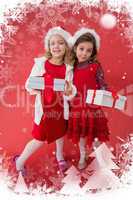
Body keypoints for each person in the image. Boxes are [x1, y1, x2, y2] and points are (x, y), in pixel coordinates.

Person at [15, 27, 73, 174]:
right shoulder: (41, 63)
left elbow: (71, 90)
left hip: (60, 109)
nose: (56, 46)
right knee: (39, 138)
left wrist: (68, 91)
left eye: (60, 43)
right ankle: (19, 161)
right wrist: (44, 83)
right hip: (45, 110)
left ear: (66, 47)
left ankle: (59, 156)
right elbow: (29, 85)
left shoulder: (68, 68)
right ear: (48, 46)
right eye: (52, 43)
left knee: (60, 132)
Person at [66, 28, 110, 170]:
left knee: (96, 137)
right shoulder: (71, 68)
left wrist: (107, 94)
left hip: (93, 107)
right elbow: (68, 87)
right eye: (81, 49)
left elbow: (102, 84)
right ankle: (82, 155)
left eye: (88, 50)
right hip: (77, 107)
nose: (84, 53)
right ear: (75, 48)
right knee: (82, 136)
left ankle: (101, 159)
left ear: (93, 52)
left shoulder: (95, 66)